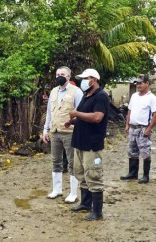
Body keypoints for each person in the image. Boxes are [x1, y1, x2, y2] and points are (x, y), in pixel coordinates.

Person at [65, 68, 109, 220]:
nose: (83, 81)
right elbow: (85, 116)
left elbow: (97, 117)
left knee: (93, 175)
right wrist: (73, 120)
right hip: (79, 141)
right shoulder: (86, 95)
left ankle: (98, 211)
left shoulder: (101, 96)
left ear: (94, 79)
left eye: (86, 78)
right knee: (80, 172)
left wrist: (76, 114)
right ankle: (85, 203)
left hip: (92, 143)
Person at [42, 66, 83, 202]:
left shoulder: (76, 92)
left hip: (70, 132)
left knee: (72, 162)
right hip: (55, 131)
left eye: (63, 74)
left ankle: (73, 193)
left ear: (69, 76)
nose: (60, 76)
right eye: (58, 74)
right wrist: (45, 130)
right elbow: (49, 112)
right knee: (56, 161)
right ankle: (57, 190)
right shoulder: (53, 91)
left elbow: (81, 112)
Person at [120, 74, 156, 184]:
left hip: (143, 128)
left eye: (141, 83)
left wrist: (149, 128)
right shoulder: (134, 96)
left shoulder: (152, 98)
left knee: (145, 151)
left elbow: (155, 114)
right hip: (133, 128)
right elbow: (130, 111)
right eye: (137, 83)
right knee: (132, 151)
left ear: (147, 83)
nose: (138, 85)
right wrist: (127, 124)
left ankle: (146, 176)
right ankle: (132, 173)